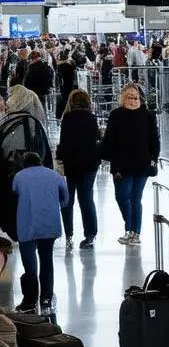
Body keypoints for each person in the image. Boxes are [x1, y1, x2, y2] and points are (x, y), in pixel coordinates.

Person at [100, 82, 160, 247]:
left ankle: (134, 232)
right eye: (129, 97)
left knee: (135, 198)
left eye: (135, 97)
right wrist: (110, 160)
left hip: (142, 163)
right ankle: (130, 225)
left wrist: (154, 157)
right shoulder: (116, 115)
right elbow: (109, 141)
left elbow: (154, 139)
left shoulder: (148, 115)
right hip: (121, 165)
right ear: (122, 98)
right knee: (121, 197)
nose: (133, 100)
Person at [12, 152, 68, 313]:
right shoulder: (55, 176)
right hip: (49, 225)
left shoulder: (19, 177)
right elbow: (64, 200)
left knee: (30, 266)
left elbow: (13, 197)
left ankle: (29, 301)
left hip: (26, 225)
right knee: (46, 261)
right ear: (40, 162)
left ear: (24, 163)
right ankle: (46, 299)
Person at [57, 90, 102, 250]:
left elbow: (63, 142)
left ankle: (69, 234)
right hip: (89, 164)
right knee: (86, 199)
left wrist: (60, 156)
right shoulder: (91, 118)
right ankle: (90, 234)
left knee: (67, 200)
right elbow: (97, 138)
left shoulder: (67, 119)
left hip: (71, 164)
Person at [54, 50, 78, 120]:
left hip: (63, 87)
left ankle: (59, 116)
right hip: (70, 86)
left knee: (63, 101)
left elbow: (59, 78)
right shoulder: (70, 66)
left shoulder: (59, 67)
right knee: (68, 100)